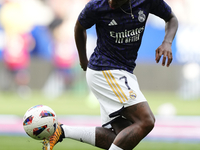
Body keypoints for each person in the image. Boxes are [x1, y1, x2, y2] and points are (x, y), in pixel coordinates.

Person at [42, 0, 178, 150]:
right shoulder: (97, 5)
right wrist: (82, 59)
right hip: (105, 70)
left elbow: (171, 18)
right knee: (146, 121)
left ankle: (62, 131)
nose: (111, 3)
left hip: (124, 71)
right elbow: (79, 27)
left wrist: (167, 42)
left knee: (120, 137)